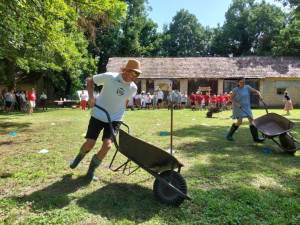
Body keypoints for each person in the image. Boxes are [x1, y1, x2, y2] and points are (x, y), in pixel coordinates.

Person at [70, 59, 141, 181]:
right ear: (127, 70)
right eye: (135, 73)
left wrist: (122, 107)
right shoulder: (110, 77)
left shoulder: (133, 88)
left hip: (115, 119)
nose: (136, 76)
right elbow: (90, 80)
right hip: (98, 114)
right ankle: (80, 156)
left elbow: (126, 99)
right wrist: (91, 97)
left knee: (107, 146)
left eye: (138, 74)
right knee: (90, 144)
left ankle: (91, 171)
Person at [226, 77, 264, 142]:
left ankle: (256, 138)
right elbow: (230, 98)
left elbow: (256, 91)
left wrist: (260, 96)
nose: (243, 83)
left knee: (252, 121)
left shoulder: (247, 87)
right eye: (241, 82)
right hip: (239, 108)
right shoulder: (236, 90)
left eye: (244, 82)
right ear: (238, 83)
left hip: (247, 107)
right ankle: (229, 135)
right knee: (239, 123)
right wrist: (236, 103)